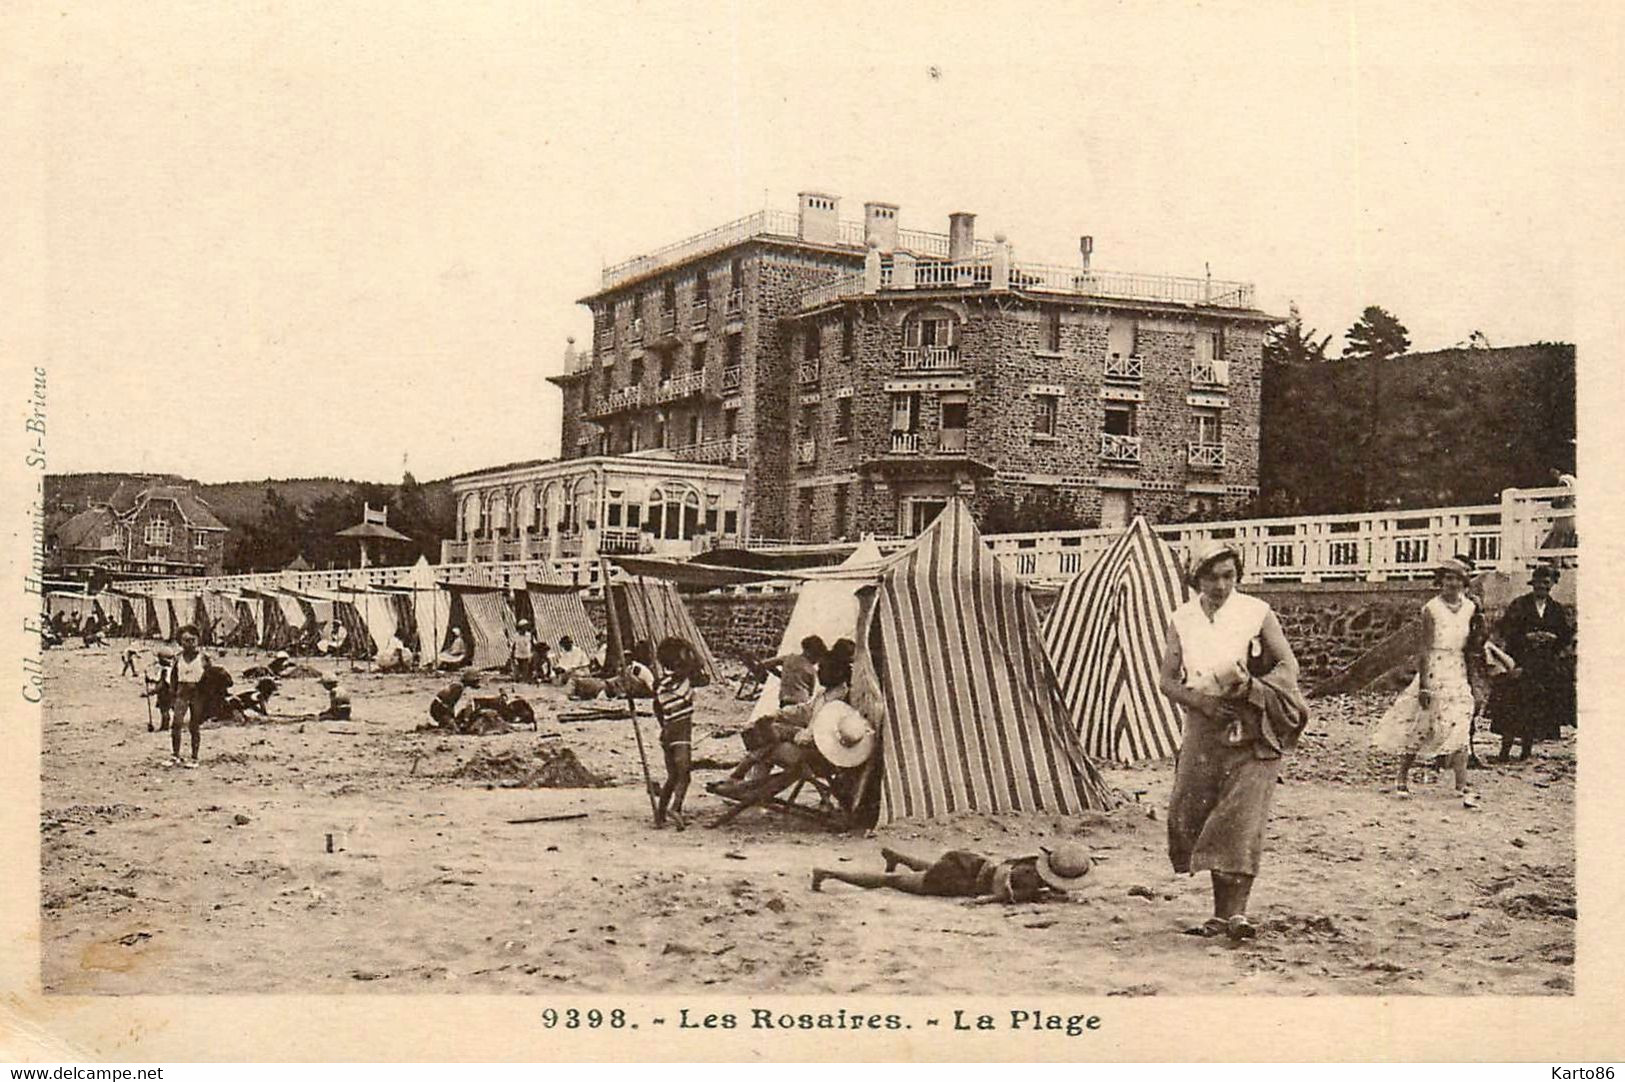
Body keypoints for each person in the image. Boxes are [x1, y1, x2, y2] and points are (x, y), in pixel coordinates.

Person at [1159, 540, 1307, 942]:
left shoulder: (1255, 612)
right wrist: (1202, 703)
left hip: (1254, 724)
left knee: (1240, 820)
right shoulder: (1183, 618)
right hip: (1204, 729)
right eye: (1211, 577)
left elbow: (1288, 665)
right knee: (1197, 813)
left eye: (1229, 576)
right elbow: (1167, 680)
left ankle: (1235, 915)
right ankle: (1220, 914)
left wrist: (1251, 689)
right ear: (1196, 579)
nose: (1221, 585)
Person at [1370, 555, 1487, 805]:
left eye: (1457, 578)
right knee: (1423, 723)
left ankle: (1461, 784)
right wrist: (1423, 684)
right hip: (1435, 667)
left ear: (1464, 582)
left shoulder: (1470, 608)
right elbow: (1424, 648)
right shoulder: (1431, 608)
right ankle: (1402, 778)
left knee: (1461, 722)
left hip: (1458, 669)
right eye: (1448, 578)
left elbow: (1471, 647)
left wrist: (1474, 679)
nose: (1452, 583)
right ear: (1441, 581)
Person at [811, 841, 1092, 904]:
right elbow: (992, 897)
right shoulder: (1030, 884)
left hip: (970, 862)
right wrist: (1002, 898)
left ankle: (895, 856)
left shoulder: (1028, 862)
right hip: (961, 881)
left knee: (931, 869)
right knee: (892, 881)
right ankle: (829, 873)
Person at [1490, 564, 1574, 762]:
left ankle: (1526, 750)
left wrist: (1552, 638)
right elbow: (1506, 630)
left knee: (1535, 709)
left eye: (1546, 583)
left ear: (1552, 584)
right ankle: (1504, 750)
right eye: (1538, 583)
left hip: (1543, 666)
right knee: (1513, 707)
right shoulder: (1519, 604)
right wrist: (1527, 636)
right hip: (1520, 662)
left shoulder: (1556, 609)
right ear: (1532, 583)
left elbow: (1565, 635)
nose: (1542, 587)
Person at [650, 637, 699, 830]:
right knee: (684, 774)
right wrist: (688, 645)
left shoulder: (662, 685)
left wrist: (665, 725)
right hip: (681, 732)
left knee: (672, 776)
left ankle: (660, 815)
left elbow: (657, 709)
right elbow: (699, 664)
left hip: (668, 731)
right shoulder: (683, 679)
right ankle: (676, 808)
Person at [164, 626, 214, 768]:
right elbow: (173, 677)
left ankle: (194, 757)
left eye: (193, 640)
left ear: (198, 640)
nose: (190, 643)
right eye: (186, 640)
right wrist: (172, 695)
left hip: (198, 693)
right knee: (176, 724)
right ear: (180, 642)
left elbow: (211, 677)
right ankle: (175, 755)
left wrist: (208, 697)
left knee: (194, 726)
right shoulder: (177, 658)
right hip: (182, 692)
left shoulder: (204, 658)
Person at [753, 636, 828, 711]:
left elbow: (766, 664)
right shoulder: (811, 670)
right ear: (810, 653)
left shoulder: (788, 658)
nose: (816, 662)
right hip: (800, 702)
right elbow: (811, 691)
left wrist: (780, 674)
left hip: (785, 699)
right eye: (817, 657)